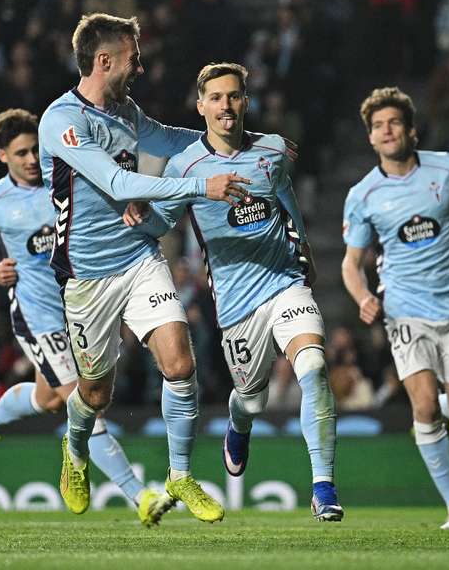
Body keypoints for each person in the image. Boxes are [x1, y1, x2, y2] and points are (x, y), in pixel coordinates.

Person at [38, 13, 250, 523]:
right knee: (96, 393)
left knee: (179, 363)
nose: (140, 66)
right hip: (88, 274)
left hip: (138, 257)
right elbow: (116, 182)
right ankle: (75, 449)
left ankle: (180, 474)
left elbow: (173, 140)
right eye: (133, 57)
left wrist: (243, 140)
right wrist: (202, 186)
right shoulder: (61, 120)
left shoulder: (126, 112)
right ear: (104, 60)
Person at [133, 62, 343, 521]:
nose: (226, 105)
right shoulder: (185, 165)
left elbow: (286, 197)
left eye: (233, 96)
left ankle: (323, 487)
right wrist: (136, 214)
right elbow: (162, 223)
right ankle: (239, 422)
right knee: (251, 398)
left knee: (314, 367)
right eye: (216, 97)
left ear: (246, 101)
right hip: (236, 305)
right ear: (201, 106)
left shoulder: (272, 150)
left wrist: (304, 247)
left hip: (284, 282)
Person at [0, 108, 175, 526]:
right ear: (3, 155)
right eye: (20, 153)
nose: (30, 159)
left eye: (34, 150)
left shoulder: (64, 180)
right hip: (38, 316)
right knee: (83, 401)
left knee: (49, 399)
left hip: (80, 307)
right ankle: (140, 496)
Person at [341, 87, 449, 529]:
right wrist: (364, 298)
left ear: (411, 130)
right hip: (404, 311)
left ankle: (430, 413)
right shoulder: (363, 195)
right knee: (425, 405)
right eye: (378, 126)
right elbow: (351, 264)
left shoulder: (447, 168)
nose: (387, 131)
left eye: (394, 123)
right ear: (370, 138)